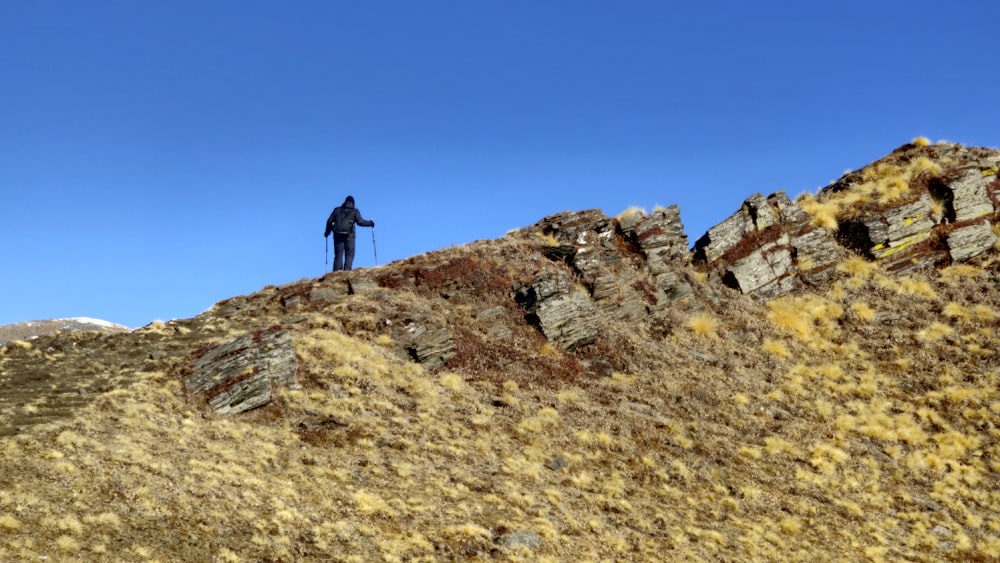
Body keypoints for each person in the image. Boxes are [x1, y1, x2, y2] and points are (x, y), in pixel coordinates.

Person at [324, 195, 374, 271]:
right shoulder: (354, 211)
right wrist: (370, 223)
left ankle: (336, 273)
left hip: (338, 235)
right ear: (353, 203)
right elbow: (360, 222)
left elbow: (329, 221)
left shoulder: (337, 210)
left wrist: (327, 232)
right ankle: (347, 272)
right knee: (349, 254)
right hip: (350, 236)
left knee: (338, 255)